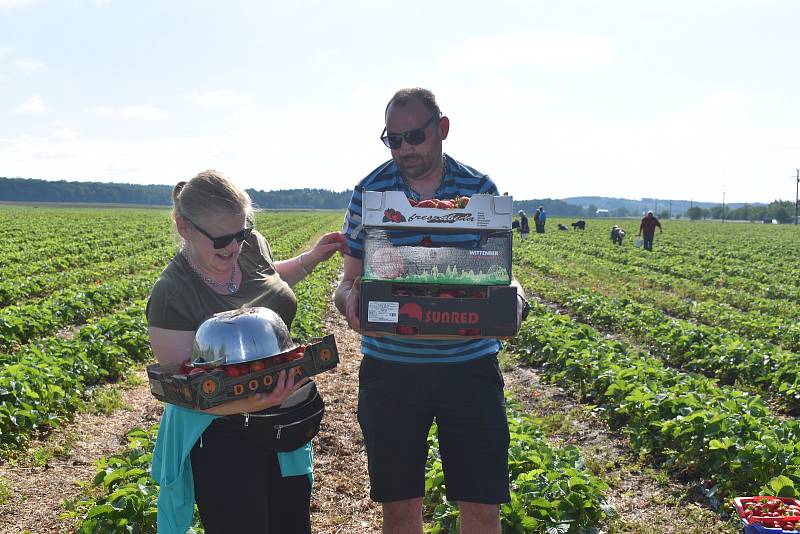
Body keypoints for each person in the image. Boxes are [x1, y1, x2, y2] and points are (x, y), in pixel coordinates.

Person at [335, 87, 525, 534]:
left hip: (470, 367)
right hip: (391, 369)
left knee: (482, 507)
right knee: (400, 509)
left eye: (414, 136)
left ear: (441, 129)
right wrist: (350, 304)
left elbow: (501, 274)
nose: (405, 149)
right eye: (393, 139)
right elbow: (347, 283)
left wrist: (515, 300)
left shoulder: (479, 190)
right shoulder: (370, 192)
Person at [146, 170, 347, 534]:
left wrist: (309, 259)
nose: (233, 247)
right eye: (221, 239)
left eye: (240, 233)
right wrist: (250, 404)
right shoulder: (171, 293)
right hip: (222, 434)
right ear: (184, 228)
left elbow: (268, 281)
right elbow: (181, 391)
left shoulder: (251, 244)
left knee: (291, 525)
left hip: (283, 418)